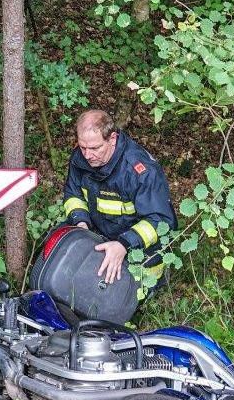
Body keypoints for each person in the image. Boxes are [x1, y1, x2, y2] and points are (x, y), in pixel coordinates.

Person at [61, 110, 176, 285]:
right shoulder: (81, 158)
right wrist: (81, 224)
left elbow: (161, 221)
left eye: (94, 148)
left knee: (121, 298)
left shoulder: (140, 170)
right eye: (82, 147)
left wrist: (124, 244)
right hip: (99, 236)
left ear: (112, 139)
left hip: (139, 249)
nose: (87, 155)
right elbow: (73, 195)